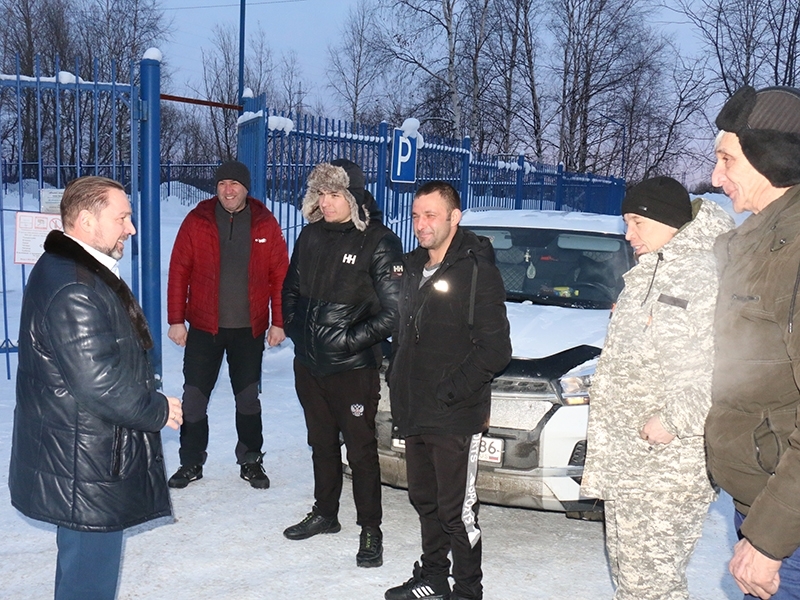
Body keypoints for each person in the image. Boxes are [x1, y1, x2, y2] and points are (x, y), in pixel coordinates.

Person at [8, 176, 183, 600]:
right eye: (122, 217)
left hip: (80, 450)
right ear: (86, 221)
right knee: (89, 577)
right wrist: (158, 409)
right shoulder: (74, 286)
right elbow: (98, 383)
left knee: (81, 568)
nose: (131, 228)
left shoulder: (76, 270)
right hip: (84, 459)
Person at [580, 176, 734, 600]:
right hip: (633, 466)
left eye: (636, 223)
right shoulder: (654, 271)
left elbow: (723, 370)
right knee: (635, 582)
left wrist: (670, 421)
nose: (628, 234)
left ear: (666, 221)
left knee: (652, 586)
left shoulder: (696, 277)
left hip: (666, 469)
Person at [385, 181, 511, 600]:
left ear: (454, 217)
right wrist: (396, 378)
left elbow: (496, 349)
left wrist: (449, 392)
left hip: (454, 415)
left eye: (431, 215)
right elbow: (404, 334)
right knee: (425, 500)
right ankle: (434, 578)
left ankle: (467, 590)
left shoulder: (477, 272)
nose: (421, 224)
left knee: (457, 512)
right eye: (417, 215)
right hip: (415, 409)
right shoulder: (409, 268)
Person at [281, 158, 402, 568]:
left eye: (335, 194)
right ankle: (325, 513)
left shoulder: (379, 241)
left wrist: (349, 340)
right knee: (321, 443)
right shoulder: (310, 236)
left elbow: (394, 312)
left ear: (352, 197)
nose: (326, 202)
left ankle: (371, 528)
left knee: (361, 450)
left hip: (353, 370)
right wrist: (298, 332)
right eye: (320, 194)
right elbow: (290, 290)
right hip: (310, 366)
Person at [706, 85, 800, 600]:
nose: (717, 178)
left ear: (773, 160)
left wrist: (767, 540)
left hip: (786, 523)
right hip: (758, 499)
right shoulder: (754, 241)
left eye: (727, 160)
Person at [166, 160, 288, 489]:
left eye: (235, 184)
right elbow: (179, 271)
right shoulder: (198, 221)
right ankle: (190, 461)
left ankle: (251, 460)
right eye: (222, 184)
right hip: (205, 327)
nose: (228, 190)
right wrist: (176, 320)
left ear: (247, 188)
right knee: (193, 398)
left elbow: (280, 277)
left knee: (248, 399)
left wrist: (279, 322)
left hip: (249, 329)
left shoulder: (264, 222)